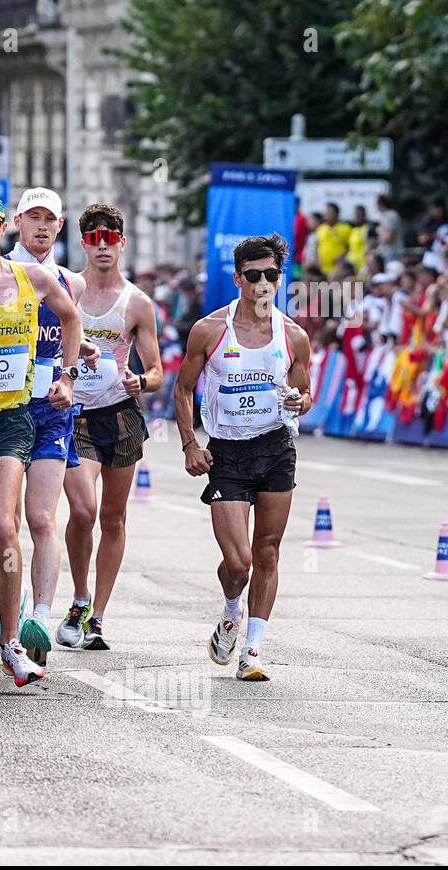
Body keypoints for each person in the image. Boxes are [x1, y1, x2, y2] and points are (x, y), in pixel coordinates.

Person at [0, 189, 92, 688]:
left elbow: (71, 318)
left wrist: (67, 375)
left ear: (3, 229)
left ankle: (11, 643)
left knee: (4, 526)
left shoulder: (34, 277)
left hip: (10, 419)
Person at [174, 233, 313, 681]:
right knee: (238, 563)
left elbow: (305, 391)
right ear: (237, 278)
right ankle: (232, 609)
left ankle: (253, 650)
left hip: (275, 447)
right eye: (253, 275)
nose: (262, 283)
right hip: (227, 454)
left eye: (271, 275)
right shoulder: (210, 329)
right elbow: (183, 388)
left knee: (267, 552)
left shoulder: (293, 336)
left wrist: (300, 402)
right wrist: (190, 444)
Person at [56, 203, 163, 653]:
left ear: (122, 243)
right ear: (84, 243)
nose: (103, 246)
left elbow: (157, 369)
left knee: (113, 517)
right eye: (94, 238)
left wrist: (143, 381)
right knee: (82, 510)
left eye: (111, 238)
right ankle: (79, 598)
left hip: (120, 415)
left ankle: (97, 615)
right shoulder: (66, 290)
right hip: (72, 414)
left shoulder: (137, 303)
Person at [3, 187, 88, 664]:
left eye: (48, 220)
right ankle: (9, 612)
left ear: (59, 227)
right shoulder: (3, 276)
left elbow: (70, 333)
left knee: (42, 518)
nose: (40, 226)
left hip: (53, 408)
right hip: (6, 409)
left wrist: (71, 375)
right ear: (17, 222)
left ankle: (38, 615)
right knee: (4, 522)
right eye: (32, 217)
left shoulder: (68, 282)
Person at [315, 203, 352, 275]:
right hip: (322, 268)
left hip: (338, 269)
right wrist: (317, 259)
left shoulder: (345, 228)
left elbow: (349, 247)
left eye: (329, 212)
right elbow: (317, 245)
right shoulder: (321, 228)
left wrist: (341, 257)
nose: (327, 215)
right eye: (326, 212)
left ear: (337, 214)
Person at [376, 195, 404, 264]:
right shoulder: (384, 216)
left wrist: (380, 232)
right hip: (386, 253)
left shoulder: (390, 215)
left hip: (391, 254)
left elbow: (388, 237)